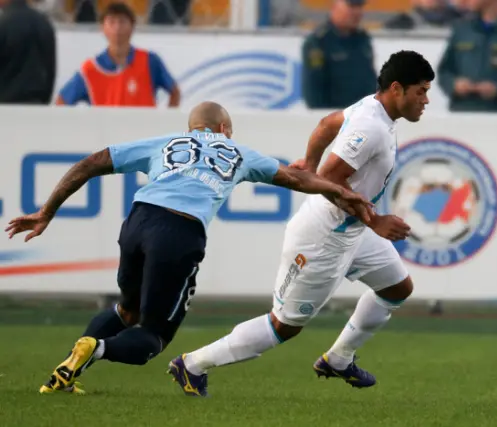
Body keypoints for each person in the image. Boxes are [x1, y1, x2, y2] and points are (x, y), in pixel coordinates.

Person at [5, 102, 372, 395]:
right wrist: (343, 192)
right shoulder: (235, 150)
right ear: (225, 129)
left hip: (137, 221)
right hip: (179, 231)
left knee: (126, 310)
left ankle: (71, 366)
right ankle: (94, 349)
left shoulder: (164, 143)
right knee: (154, 335)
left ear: (190, 129)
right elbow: (297, 178)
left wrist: (46, 212)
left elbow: (90, 163)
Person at [169, 51, 434, 397]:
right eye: (421, 91)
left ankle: (339, 357)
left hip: (351, 231)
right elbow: (329, 177)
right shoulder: (372, 126)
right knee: (282, 326)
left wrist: (308, 161)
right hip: (323, 238)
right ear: (397, 88)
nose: (426, 100)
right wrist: (375, 220)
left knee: (397, 287)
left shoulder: (372, 109)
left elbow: (327, 125)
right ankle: (192, 364)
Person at [56, 2, 180, 107]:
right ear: (102, 28)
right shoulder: (90, 69)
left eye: (122, 22)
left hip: (144, 134)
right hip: (104, 135)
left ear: (132, 26)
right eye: (111, 22)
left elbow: (174, 92)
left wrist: (162, 124)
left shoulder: (150, 61)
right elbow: (62, 101)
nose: (117, 28)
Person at [301, 0, 377, 109]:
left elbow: (369, 81)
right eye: (351, 6)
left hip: (363, 117)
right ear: (334, 6)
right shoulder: (318, 42)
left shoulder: (363, 39)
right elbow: (313, 91)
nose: (357, 12)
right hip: (336, 118)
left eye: (359, 6)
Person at [0, 0, 56, 104]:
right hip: (36, 106)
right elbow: (51, 69)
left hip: (5, 108)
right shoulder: (44, 22)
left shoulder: (3, 24)